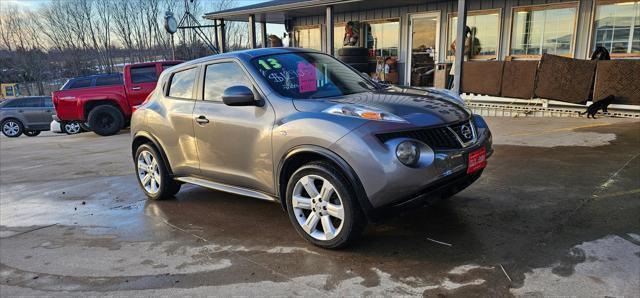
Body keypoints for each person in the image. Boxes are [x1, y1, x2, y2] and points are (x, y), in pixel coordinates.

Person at [449, 26, 472, 90]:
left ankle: (460, 88)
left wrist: (460, 54)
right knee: (455, 73)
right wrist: (455, 53)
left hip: (463, 58)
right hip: (457, 58)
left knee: (462, 73)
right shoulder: (457, 38)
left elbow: (467, 49)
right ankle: (454, 87)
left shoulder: (467, 39)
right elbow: (451, 46)